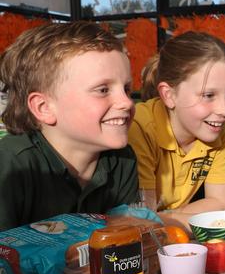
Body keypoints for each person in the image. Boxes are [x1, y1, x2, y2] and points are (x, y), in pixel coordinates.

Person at [0, 22, 138, 231]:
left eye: (127, 89)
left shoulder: (122, 160)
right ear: (44, 107)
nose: (127, 102)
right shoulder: (11, 165)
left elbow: (126, 241)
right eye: (102, 90)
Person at [128, 32, 225, 229]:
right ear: (169, 95)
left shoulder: (216, 126)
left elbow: (222, 202)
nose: (224, 110)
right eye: (208, 95)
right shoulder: (140, 129)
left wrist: (167, 217)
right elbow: (143, 223)